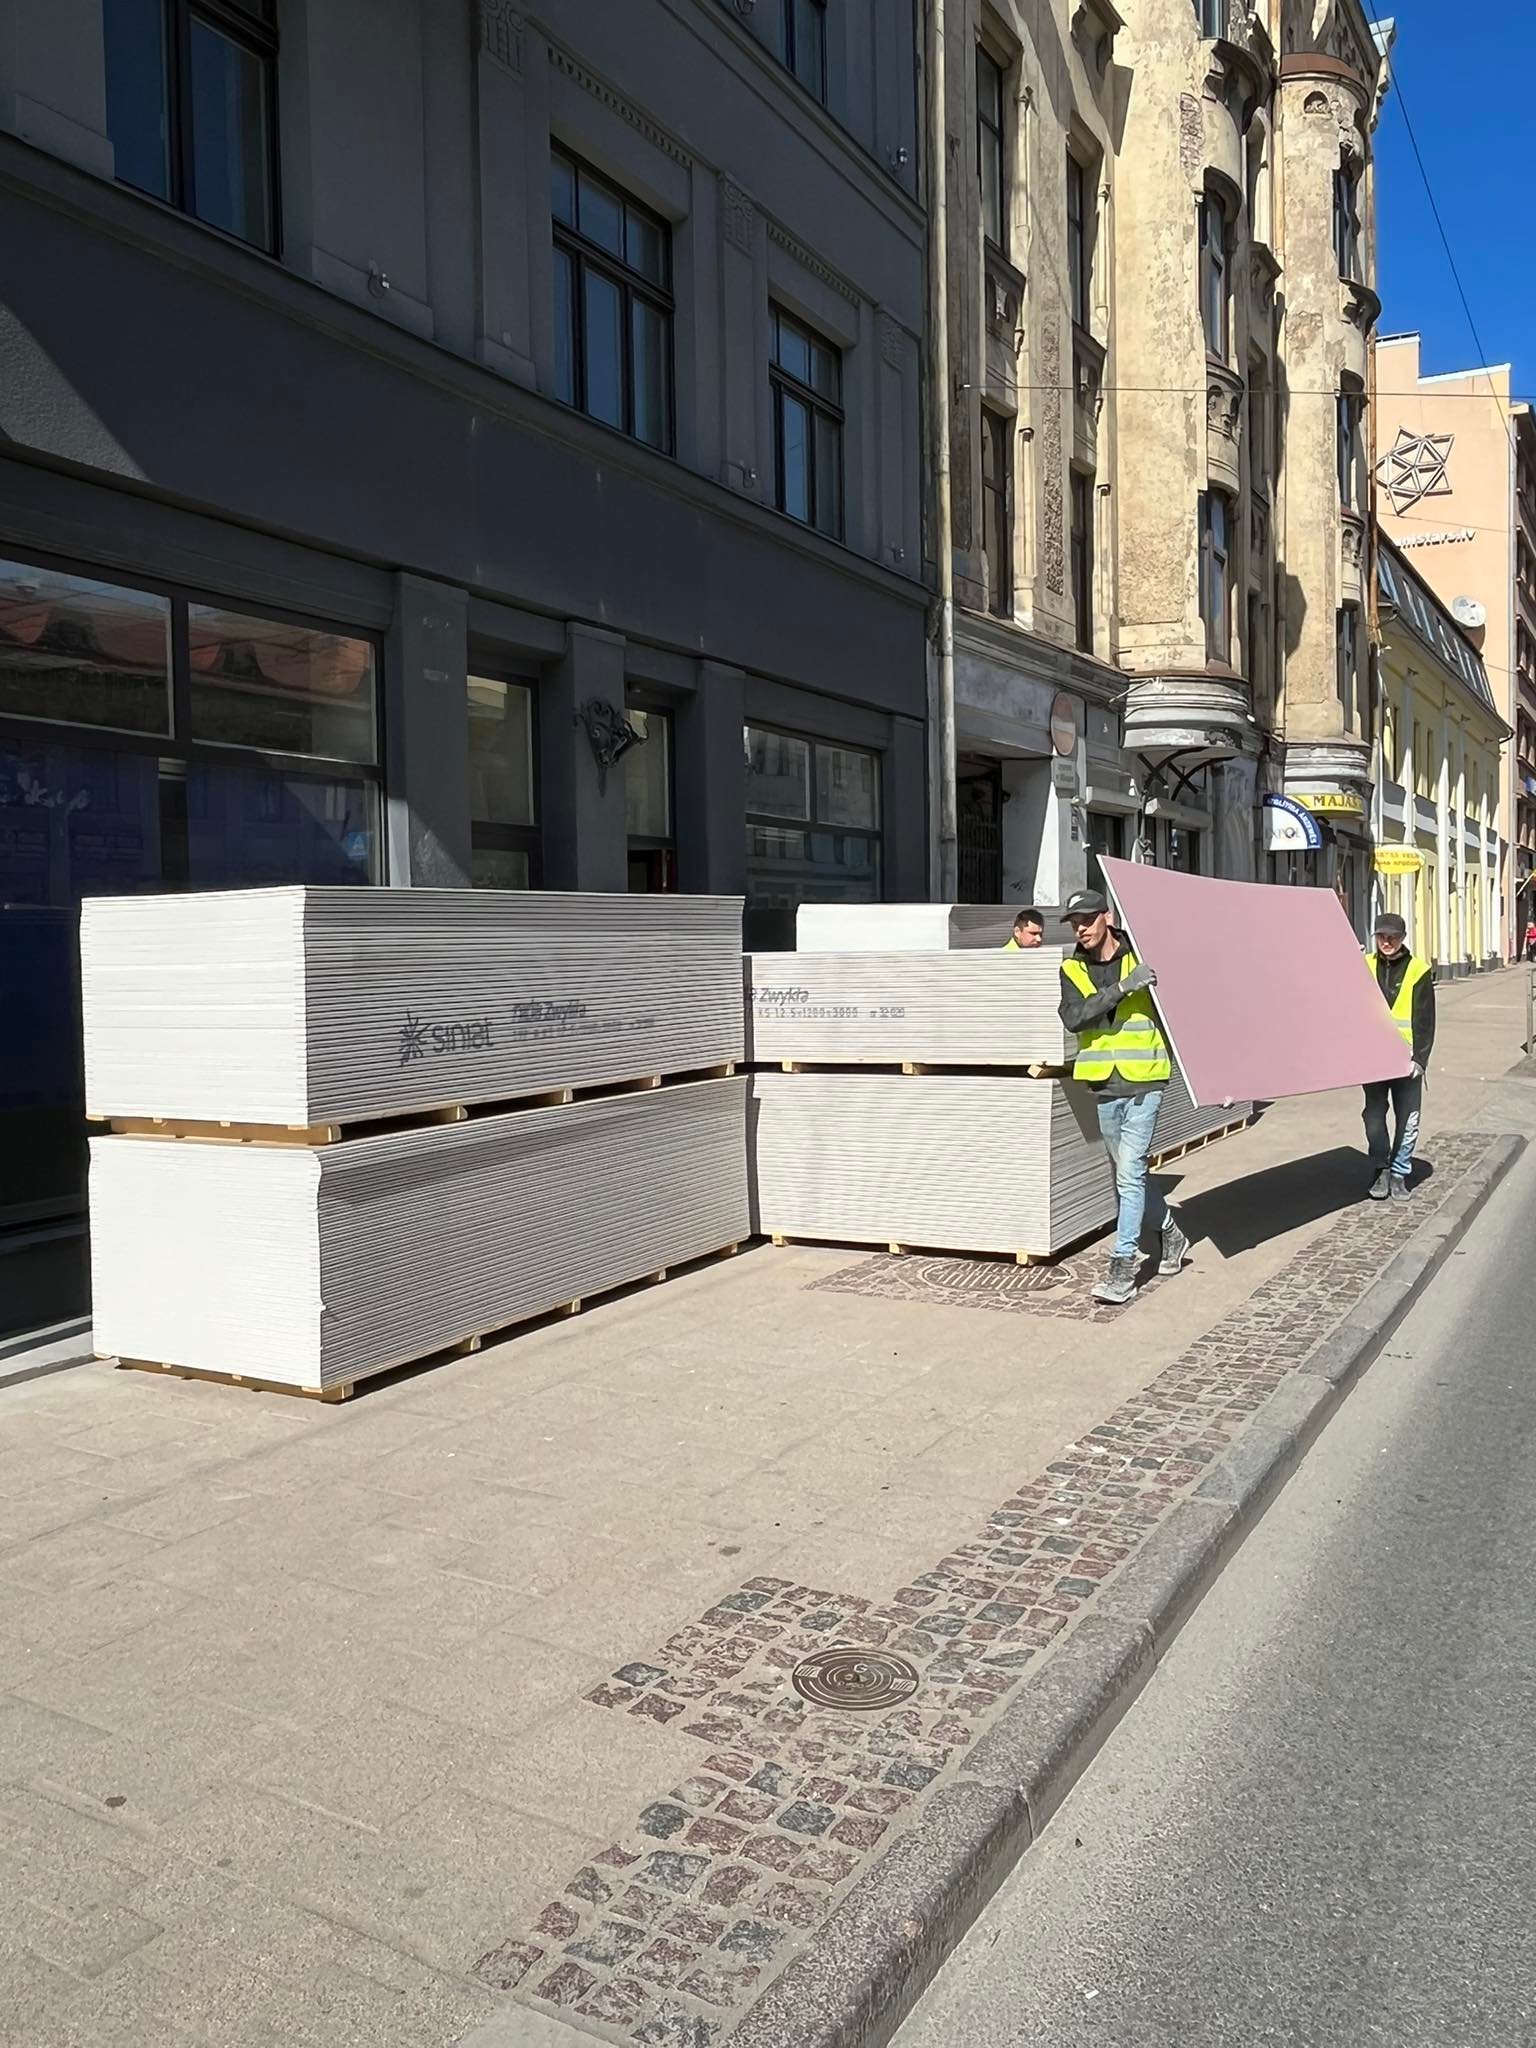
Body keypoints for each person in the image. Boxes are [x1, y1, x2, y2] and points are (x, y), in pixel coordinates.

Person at [1057, 889, 1189, 1305]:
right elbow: (1074, 1018)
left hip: (1146, 1080)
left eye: (1087, 920)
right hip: (1104, 1085)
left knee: (1130, 1173)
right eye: (1074, 923)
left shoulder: (1143, 956)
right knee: (1128, 1174)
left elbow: (1185, 1005)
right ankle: (1171, 1233)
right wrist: (1122, 989)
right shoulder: (1072, 968)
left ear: (1107, 917)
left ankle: (1123, 1268)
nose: (1081, 929)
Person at [1363, 912, 1434, 1201]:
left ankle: (1399, 1173)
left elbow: (1425, 1020)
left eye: (1392, 936)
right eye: (1382, 936)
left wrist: (1421, 1059)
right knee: (1374, 1117)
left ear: (1402, 938)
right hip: (1373, 1058)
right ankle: (1381, 1167)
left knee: (1408, 1118)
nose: (1387, 941)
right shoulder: (1364, 965)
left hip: (1407, 1060)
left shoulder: (1418, 970)